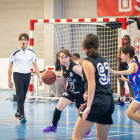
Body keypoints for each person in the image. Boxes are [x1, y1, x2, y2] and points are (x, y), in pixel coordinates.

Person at [72, 34, 115, 140]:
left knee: (76, 137)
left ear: (83, 47)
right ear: (98, 46)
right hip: (109, 101)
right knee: (102, 137)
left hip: (97, 102)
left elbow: (92, 84)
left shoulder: (87, 61)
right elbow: (103, 84)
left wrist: (89, 107)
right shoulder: (104, 60)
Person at [42, 49, 91, 136]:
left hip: (80, 93)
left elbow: (87, 77)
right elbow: (62, 82)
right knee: (59, 106)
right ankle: (53, 126)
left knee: (80, 114)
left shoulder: (75, 68)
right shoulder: (63, 67)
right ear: (59, 58)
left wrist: (86, 92)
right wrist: (53, 78)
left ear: (69, 58)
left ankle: (87, 127)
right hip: (71, 91)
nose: (63, 59)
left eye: (65, 57)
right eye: (61, 57)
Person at [8, 33, 42, 124]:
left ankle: (17, 113)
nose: (23, 41)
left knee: (23, 96)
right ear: (19, 41)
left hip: (27, 75)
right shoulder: (15, 53)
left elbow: (35, 66)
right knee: (20, 96)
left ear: (27, 41)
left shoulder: (31, 52)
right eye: (22, 40)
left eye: (25, 40)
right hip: (17, 74)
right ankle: (22, 115)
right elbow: (10, 67)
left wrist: (40, 78)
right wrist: (9, 80)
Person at [110, 45, 140, 124]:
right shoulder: (131, 64)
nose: (121, 55)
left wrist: (115, 72)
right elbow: (136, 79)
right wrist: (126, 79)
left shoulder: (132, 64)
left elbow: (129, 72)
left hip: (139, 94)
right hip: (137, 94)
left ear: (127, 54)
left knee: (129, 113)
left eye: (122, 54)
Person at [117, 35, 134, 106]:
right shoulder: (121, 48)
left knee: (130, 83)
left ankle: (131, 99)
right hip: (121, 66)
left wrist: (119, 56)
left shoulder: (131, 48)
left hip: (128, 65)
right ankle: (121, 100)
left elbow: (130, 57)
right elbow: (118, 59)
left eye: (126, 39)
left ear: (129, 40)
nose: (125, 41)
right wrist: (117, 68)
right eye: (124, 39)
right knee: (121, 84)